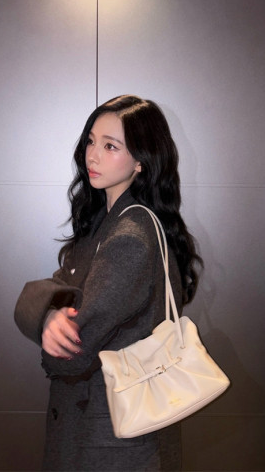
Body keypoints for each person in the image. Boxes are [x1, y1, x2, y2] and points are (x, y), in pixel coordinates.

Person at [14, 95, 202, 471]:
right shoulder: (107, 221)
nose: (93, 155)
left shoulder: (129, 236)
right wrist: (49, 314)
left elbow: (72, 354)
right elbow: (59, 288)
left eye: (110, 146)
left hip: (109, 443)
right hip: (113, 435)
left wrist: (53, 329)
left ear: (140, 161)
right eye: (91, 141)